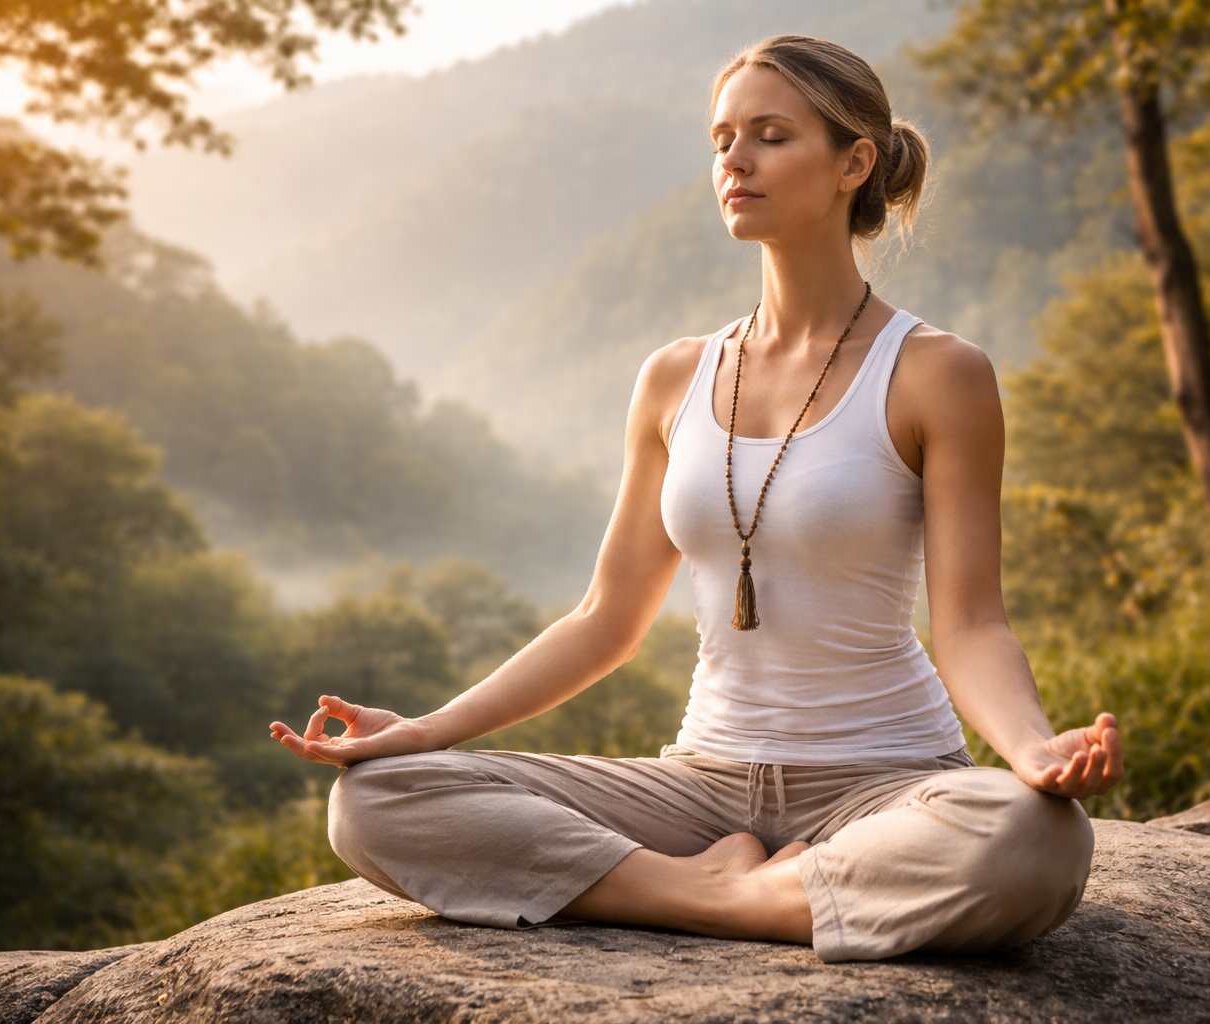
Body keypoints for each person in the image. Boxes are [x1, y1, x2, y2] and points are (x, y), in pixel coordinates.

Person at [269, 33, 1123, 963]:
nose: (736, 162)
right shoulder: (675, 377)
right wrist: (427, 729)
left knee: (1037, 837)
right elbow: (605, 619)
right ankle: (726, 892)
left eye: (770, 136)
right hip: (697, 789)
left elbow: (971, 626)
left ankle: (702, 893)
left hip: (883, 785)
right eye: (722, 140)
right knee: (377, 799)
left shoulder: (936, 374)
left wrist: (1034, 752)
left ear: (855, 162)